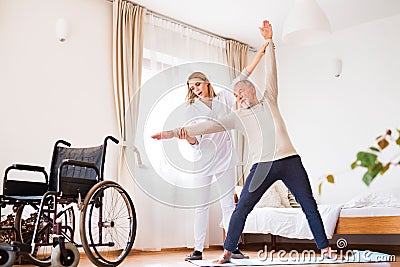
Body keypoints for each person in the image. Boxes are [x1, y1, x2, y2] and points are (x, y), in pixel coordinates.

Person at [152, 20, 340, 263]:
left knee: (309, 205)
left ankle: (325, 249)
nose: (239, 97)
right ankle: (228, 252)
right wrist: (171, 133)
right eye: (237, 95)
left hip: (290, 161)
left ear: (252, 90)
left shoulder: (269, 99)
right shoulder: (236, 116)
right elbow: (205, 126)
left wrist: (269, 43)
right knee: (242, 208)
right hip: (261, 166)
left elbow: (271, 70)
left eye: (242, 92)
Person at [172, 71, 254, 261]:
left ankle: (232, 247)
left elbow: (241, 76)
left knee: (228, 206)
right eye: (192, 88)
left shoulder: (224, 97)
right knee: (201, 206)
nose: (196, 90)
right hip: (204, 162)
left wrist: (263, 50)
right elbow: (196, 142)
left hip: (225, 160)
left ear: (207, 82)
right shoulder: (192, 110)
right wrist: (187, 139)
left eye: (198, 85)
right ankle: (198, 250)